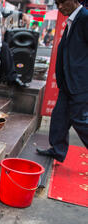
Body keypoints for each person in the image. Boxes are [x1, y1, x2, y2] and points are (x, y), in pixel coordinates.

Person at [36, 0, 88, 162]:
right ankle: (57, 150)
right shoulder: (73, 19)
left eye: (62, 2)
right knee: (60, 115)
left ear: (73, 0)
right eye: (57, 3)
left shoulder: (85, 17)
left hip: (80, 82)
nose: (59, 7)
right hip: (68, 81)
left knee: (79, 120)